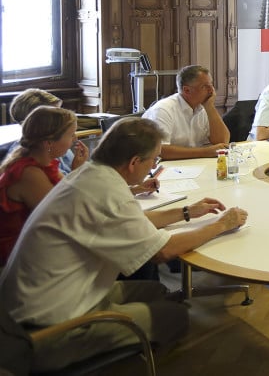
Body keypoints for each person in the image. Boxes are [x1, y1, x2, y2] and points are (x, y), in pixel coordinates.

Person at [0, 117, 247, 372]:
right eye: (154, 160)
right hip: (47, 328)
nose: (154, 166)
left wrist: (186, 212)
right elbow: (163, 252)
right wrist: (221, 225)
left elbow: (129, 221)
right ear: (133, 163)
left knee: (157, 292)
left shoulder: (91, 175)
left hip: (33, 302)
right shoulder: (109, 193)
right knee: (178, 318)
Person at [0, 107, 88, 265]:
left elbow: (70, 196)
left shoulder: (46, 165)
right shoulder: (29, 174)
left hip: (40, 244)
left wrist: (77, 170)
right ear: (48, 143)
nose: (74, 139)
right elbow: (60, 215)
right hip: (18, 256)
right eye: (70, 134)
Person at [141, 64, 231, 159]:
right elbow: (160, 150)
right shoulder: (163, 110)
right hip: (166, 167)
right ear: (187, 90)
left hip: (191, 165)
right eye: (205, 86)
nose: (211, 91)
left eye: (211, 85)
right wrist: (204, 152)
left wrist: (210, 107)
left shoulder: (204, 107)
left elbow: (223, 142)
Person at [0, 88, 67, 168]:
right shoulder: (27, 157)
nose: (60, 120)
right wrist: (76, 169)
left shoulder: (57, 141)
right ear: (31, 121)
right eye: (54, 117)